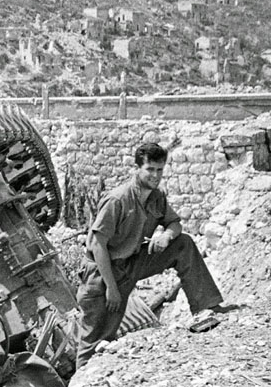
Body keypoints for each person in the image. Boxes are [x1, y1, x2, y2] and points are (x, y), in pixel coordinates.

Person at [75, 142, 230, 368]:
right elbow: (97, 245)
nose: (155, 175)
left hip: (133, 262)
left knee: (183, 244)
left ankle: (206, 307)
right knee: (95, 341)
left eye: (159, 169)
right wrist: (111, 288)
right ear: (137, 169)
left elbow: (175, 224)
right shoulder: (117, 200)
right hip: (102, 274)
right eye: (150, 169)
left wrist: (166, 235)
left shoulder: (156, 197)